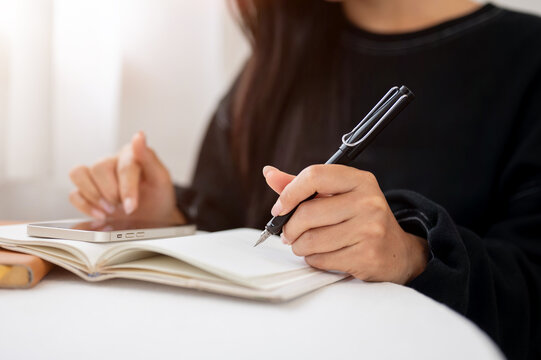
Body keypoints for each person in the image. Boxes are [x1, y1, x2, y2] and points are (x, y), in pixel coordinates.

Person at [68, 0, 541, 358]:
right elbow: (229, 218)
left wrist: (414, 257)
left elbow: (531, 291)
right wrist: (164, 214)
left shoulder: (525, 60)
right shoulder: (280, 55)